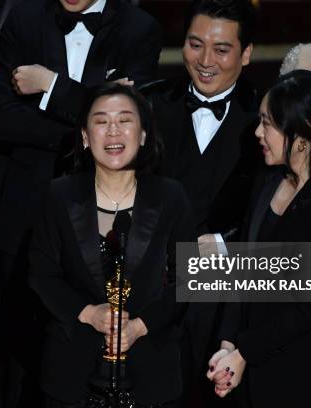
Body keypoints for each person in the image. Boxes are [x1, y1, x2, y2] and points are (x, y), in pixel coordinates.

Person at [0, 1, 162, 404]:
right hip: (26, 218)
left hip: (107, 224)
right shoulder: (23, 19)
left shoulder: (139, 29)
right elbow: (3, 120)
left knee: (93, 361)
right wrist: (90, 119)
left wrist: (51, 86)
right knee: (14, 362)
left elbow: (131, 129)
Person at [29, 83, 196, 407]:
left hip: (151, 369)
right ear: (85, 136)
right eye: (102, 121)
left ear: (144, 133)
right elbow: (41, 273)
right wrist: (89, 313)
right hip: (73, 369)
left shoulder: (171, 196)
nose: (113, 131)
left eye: (125, 120)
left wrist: (139, 327)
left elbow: (188, 280)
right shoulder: (59, 195)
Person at [207, 70, 311, 407]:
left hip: (308, 370)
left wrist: (245, 350)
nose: (258, 132)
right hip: (251, 367)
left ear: (303, 130)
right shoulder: (267, 181)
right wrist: (227, 345)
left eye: (268, 124)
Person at [142, 1, 261, 405]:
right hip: (151, 291)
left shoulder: (268, 118)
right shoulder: (147, 105)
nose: (205, 61)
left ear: (245, 54)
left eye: (222, 49)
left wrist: (226, 245)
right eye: (195, 45)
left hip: (227, 298)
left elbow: (278, 214)